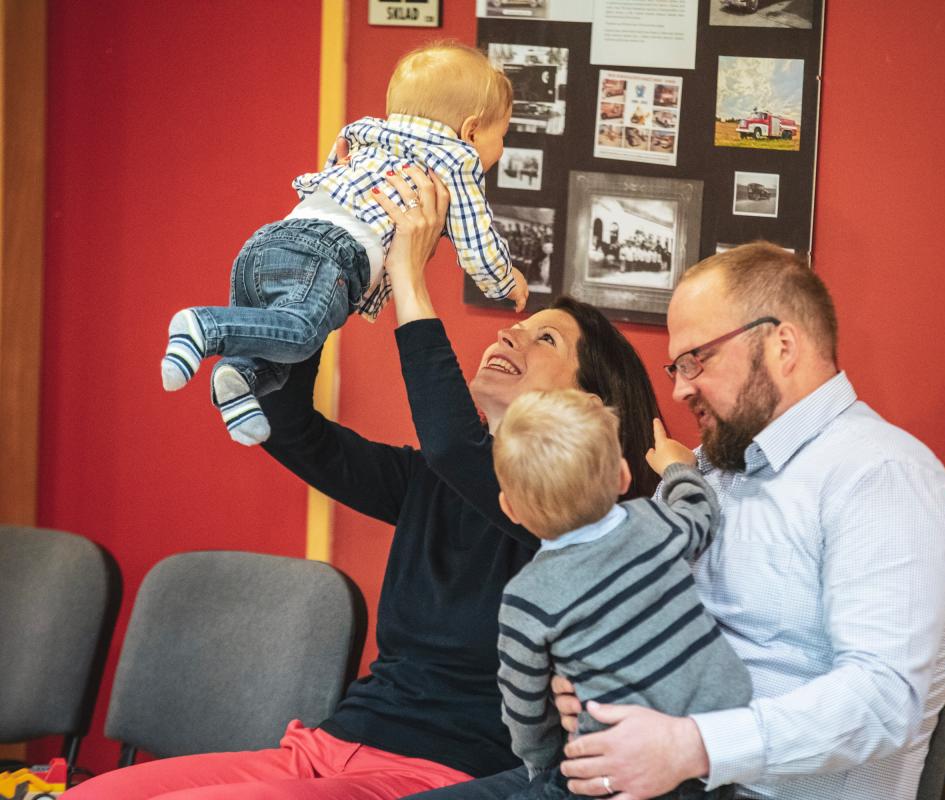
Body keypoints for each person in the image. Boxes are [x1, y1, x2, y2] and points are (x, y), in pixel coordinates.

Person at [66, 171, 659, 797]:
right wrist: (327, 285)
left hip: (434, 777)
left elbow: (453, 445)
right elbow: (290, 429)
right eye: (522, 324)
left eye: (547, 339)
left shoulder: (580, 520)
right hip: (321, 750)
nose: (509, 332)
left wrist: (408, 275)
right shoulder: (429, 480)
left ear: (590, 401)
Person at [540, 243, 945, 800]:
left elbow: (883, 702)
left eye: (696, 359)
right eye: (677, 367)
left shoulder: (882, 476)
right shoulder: (717, 468)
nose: (680, 388)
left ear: (781, 345)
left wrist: (689, 746)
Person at [159, 41, 528, 446]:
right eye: (502, 136)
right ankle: (204, 327)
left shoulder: (365, 131)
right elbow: (476, 241)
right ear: (471, 131)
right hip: (328, 255)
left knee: (275, 354)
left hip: (270, 240)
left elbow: (333, 174)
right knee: (301, 334)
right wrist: (504, 281)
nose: (501, 148)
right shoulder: (458, 159)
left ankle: (238, 388)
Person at [491, 389, 753, 800]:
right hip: (714, 746)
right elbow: (702, 513)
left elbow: (524, 704)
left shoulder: (526, 599)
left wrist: (540, 762)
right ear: (623, 476)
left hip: (616, 764)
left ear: (510, 508)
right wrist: (678, 469)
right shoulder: (654, 522)